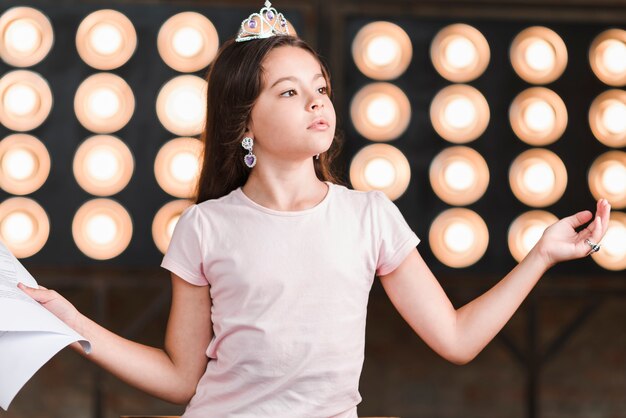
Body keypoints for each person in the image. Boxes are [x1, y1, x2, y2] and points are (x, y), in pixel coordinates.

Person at [17, 2, 611, 417]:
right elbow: (180, 379)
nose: (316, 103)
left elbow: (455, 340)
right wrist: (75, 324)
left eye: (320, 88)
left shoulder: (369, 216)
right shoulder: (204, 228)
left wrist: (541, 255)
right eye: (289, 92)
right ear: (245, 121)